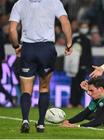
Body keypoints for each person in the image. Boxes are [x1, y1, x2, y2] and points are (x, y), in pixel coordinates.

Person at [9, 0, 72, 133]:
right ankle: (41, 123)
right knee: (44, 87)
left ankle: (25, 120)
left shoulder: (20, 3)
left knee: (26, 89)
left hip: (28, 49)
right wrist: (69, 43)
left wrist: (16, 46)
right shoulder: (54, 2)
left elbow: (12, 29)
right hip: (46, 49)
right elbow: (65, 22)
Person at [67, 21, 92, 108]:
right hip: (74, 66)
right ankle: (71, 102)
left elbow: (89, 55)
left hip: (83, 66)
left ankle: (78, 102)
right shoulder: (75, 38)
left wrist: (90, 67)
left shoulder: (88, 40)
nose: (84, 29)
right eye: (83, 27)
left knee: (81, 85)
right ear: (80, 28)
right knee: (74, 84)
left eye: (86, 27)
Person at [0, 13, 16, 107]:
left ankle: (10, 97)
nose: (3, 20)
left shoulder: (1, 31)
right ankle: (10, 97)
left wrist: (2, 58)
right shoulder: (1, 31)